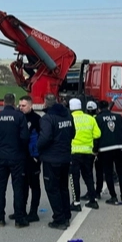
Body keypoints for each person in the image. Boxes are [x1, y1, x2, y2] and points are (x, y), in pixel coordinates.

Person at [0, 93, 29, 228]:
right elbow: (25, 137)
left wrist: (0, 144)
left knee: (1, 188)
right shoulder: (20, 116)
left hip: (2, 157)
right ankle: (19, 220)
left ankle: (0, 218)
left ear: (3, 103)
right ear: (14, 103)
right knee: (18, 188)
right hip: (17, 157)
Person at [37, 93, 75, 230]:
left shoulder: (48, 119)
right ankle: (66, 216)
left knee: (52, 189)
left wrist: (37, 147)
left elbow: (45, 137)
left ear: (45, 104)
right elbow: (73, 134)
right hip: (65, 158)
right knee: (63, 187)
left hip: (51, 159)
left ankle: (59, 219)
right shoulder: (68, 116)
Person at [69, 98, 101, 211]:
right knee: (88, 176)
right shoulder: (90, 119)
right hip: (88, 152)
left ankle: (76, 203)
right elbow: (97, 134)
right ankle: (93, 200)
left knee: (74, 178)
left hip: (74, 153)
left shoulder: (70, 119)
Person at [95, 100, 122, 205]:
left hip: (105, 149)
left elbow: (96, 136)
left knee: (108, 173)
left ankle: (113, 197)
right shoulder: (118, 117)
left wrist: (95, 150)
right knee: (121, 172)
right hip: (119, 147)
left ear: (99, 109)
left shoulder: (98, 119)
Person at [17, 96, 42, 223]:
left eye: (24, 105)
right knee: (22, 186)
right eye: (20, 105)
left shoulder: (36, 119)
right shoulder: (17, 117)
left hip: (33, 158)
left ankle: (33, 212)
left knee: (34, 185)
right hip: (20, 158)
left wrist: (37, 155)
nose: (21, 108)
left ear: (31, 106)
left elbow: (42, 138)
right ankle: (21, 211)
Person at [85, 100, 104, 200]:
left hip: (90, 150)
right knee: (99, 172)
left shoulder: (87, 120)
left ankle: (90, 191)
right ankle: (98, 192)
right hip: (99, 149)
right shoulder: (99, 119)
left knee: (89, 172)